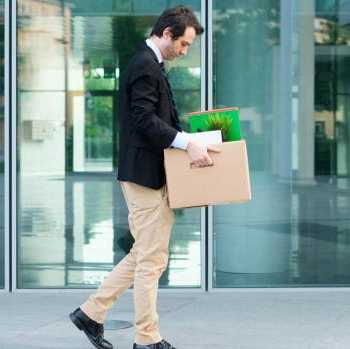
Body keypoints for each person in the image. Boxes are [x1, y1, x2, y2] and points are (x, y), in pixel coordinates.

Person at [69, 6, 219, 349]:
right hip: (144, 176)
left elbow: (156, 118)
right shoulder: (144, 65)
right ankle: (147, 340)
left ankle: (91, 313)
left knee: (145, 254)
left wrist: (193, 139)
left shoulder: (150, 64)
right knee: (151, 260)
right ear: (166, 32)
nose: (184, 51)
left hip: (150, 173)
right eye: (183, 44)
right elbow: (143, 120)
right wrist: (185, 142)